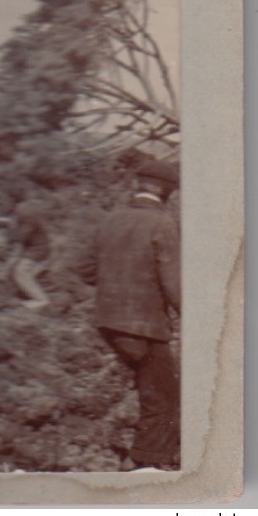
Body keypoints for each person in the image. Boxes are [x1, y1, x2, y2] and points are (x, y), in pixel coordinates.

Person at [94, 157, 181, 471]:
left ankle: (141, 460)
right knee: (165, 399)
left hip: (108, 322)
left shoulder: (110, 219)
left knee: (153, 389)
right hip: (144, 327)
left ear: (138, 186)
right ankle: (146, 465)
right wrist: (196, 317)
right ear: (168, 192)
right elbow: (173, 283)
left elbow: (84, 268)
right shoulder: (163, 223)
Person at [6, 182, 53, 309]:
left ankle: (41, 300)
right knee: (15, 268)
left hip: (39, 250)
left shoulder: (26, 212)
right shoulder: (23, 210)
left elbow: (20, 239)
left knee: (19, 271)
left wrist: (11, 261)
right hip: (33, 247)